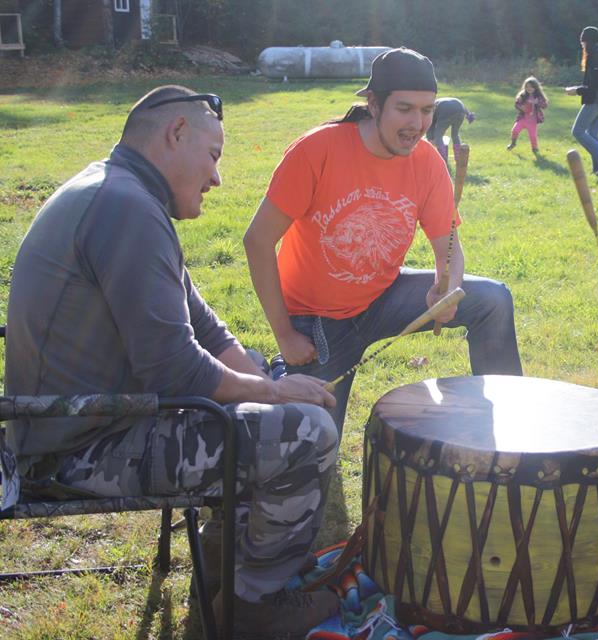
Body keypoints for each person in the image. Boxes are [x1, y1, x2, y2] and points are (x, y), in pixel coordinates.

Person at [2, 86, 342, 636]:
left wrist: (261, 378)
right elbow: (176, 370)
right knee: (307, 433)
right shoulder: (126, 209)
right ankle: (251, 604)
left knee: (257, 378)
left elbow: (203, 327)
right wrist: (278, 392)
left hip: (80, 422)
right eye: (213, 155)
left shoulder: (120, 191)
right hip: (75, 450)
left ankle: (222, 567)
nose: (217, 178)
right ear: (176, 133)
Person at [244, 48, 523, 431]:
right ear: (373, 105)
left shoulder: (427, 161)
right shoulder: (317, 150)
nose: (417, 123)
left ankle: (510, 424)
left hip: (382, 295)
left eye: (426, 110)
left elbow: (450, 248)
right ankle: (282, 370)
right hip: (316, 321)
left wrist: (448, 290)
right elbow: (257, 241)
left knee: (493, 300)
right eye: (404, 109)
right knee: (313, 440)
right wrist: (285, 335)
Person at [565, 26, 598, 175]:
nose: (582, 45)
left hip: (596, 100)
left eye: (583, 42)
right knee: (592, 134)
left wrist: (576, 90)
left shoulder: (597, 56)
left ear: (587, 41)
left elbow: (594, 85)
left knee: (577, 131)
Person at [426, 96, 475, 164]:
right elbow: (464, 108)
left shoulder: (432, 108)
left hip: (446, 112)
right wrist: (468, 114)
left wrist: (430, 137)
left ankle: (442, 159)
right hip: (460, 109)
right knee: (455, 134)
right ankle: (458, 157)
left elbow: (431, 124)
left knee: (438, 136)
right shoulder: (438, 102)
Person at [507, 76, 548, 153]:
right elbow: (517, 104)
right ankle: (513, 143)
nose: (529, 88)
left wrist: (538, 102)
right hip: (522, 119)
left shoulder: (538, 96)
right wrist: (521, 107)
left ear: (536, 87)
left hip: (532, 121)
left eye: (531, 87)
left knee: (533, 136)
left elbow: (545, 105)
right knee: (515, 130)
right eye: (527, 87)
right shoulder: (522, 95)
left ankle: (535, 148)